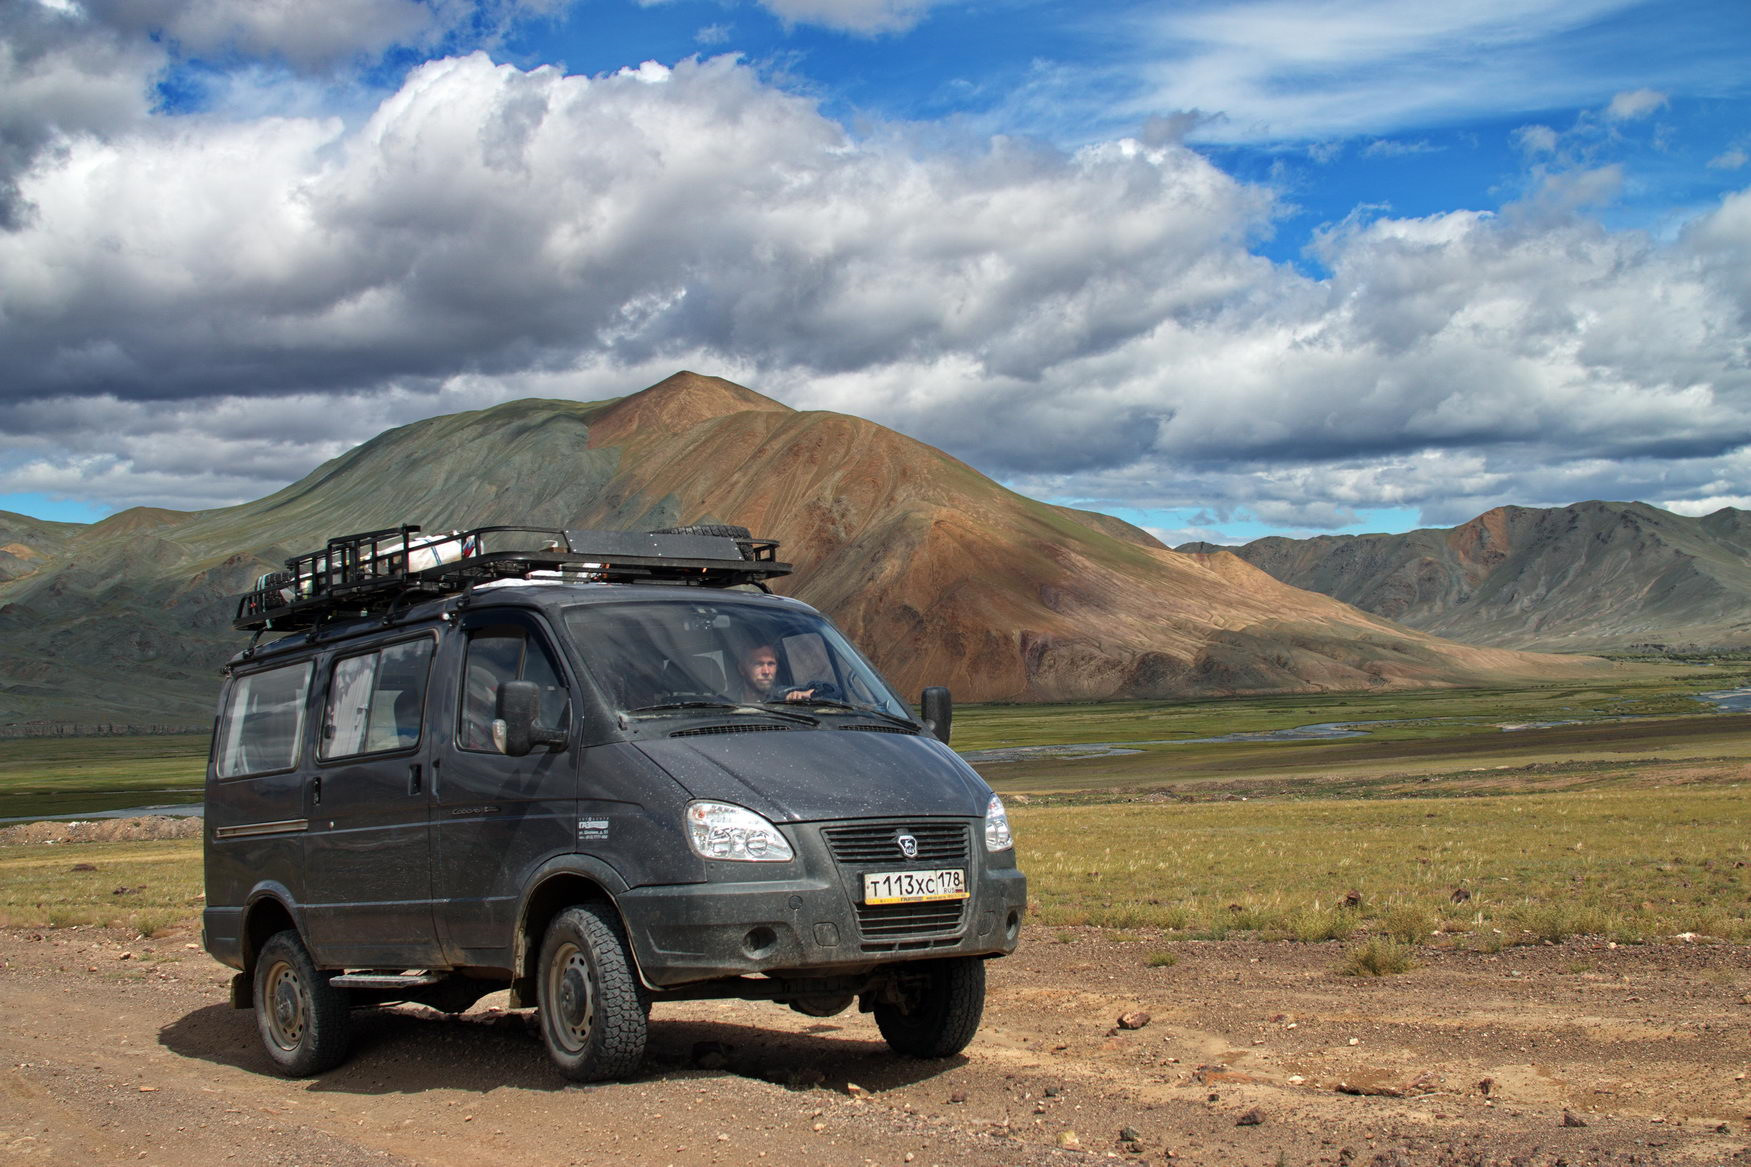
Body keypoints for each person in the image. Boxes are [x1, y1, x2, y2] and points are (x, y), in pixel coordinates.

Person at [736, 643, 816, 704]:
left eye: (771, 664)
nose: (766, 672)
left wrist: (809, 694)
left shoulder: (783, 695)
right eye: (758, 664)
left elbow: (826, 691)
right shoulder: (728, 700)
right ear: (742, 669)